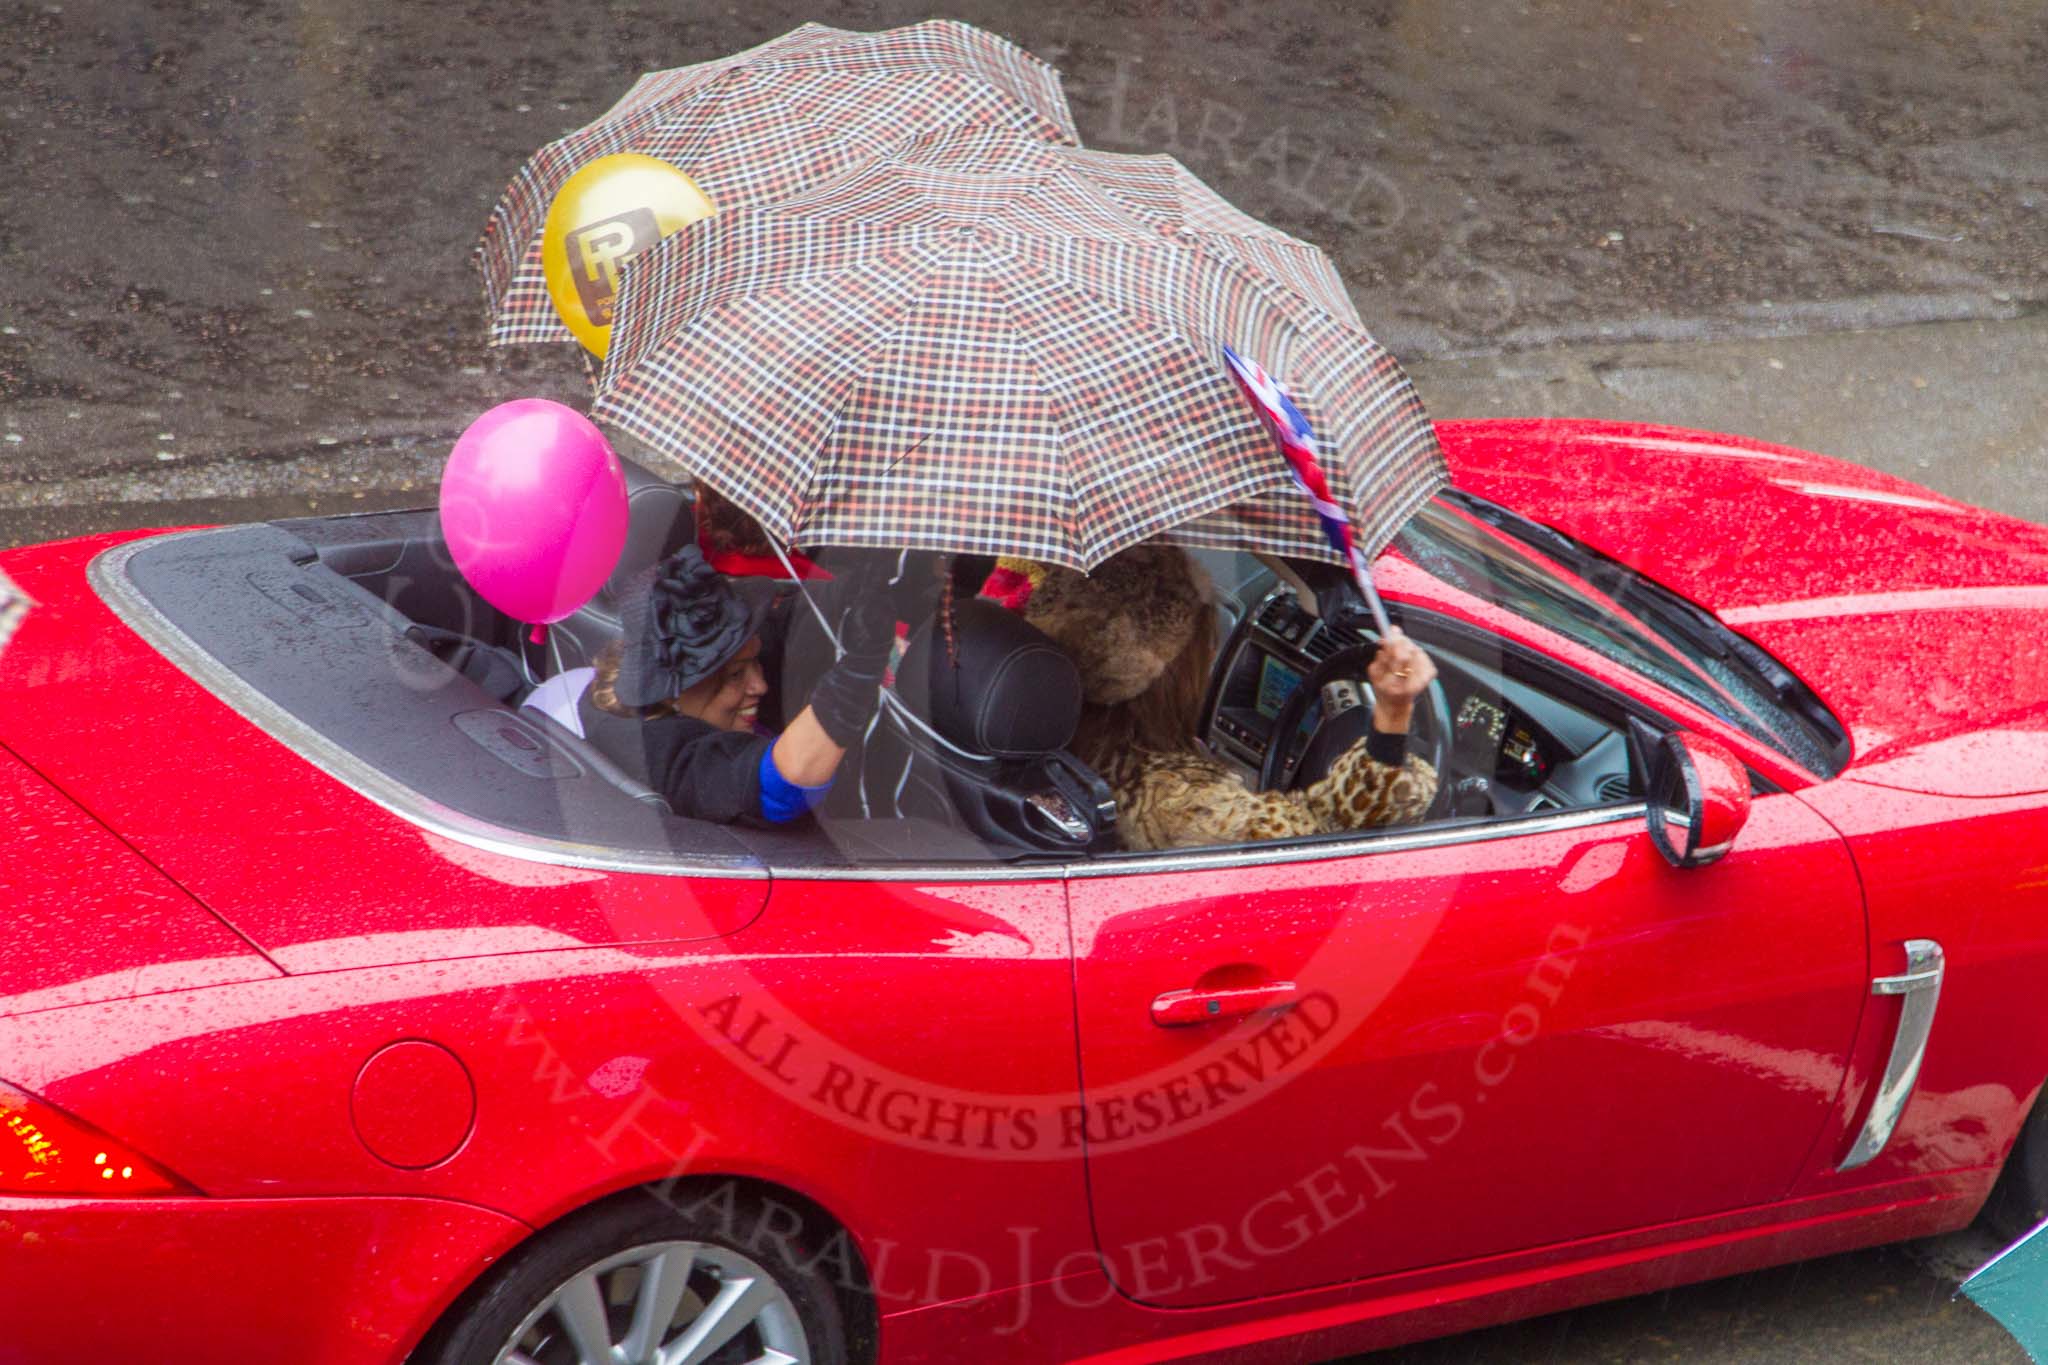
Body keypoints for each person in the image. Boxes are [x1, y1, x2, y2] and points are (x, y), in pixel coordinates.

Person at [1021, 544, 1439, 852]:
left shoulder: (1030, 723)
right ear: (1167, 673)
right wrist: (1392, 714)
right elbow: (1331, 837)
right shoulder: (1181, 803)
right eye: (1204, 639)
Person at [522, 545, 896, 825]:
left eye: (754, 664)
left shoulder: (647, 690)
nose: (759, 686)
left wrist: (867, 582)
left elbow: (787, 627)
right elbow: (786, 784)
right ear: (674, 691)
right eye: (736, 676)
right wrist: (859, 671)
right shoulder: (663, 756)